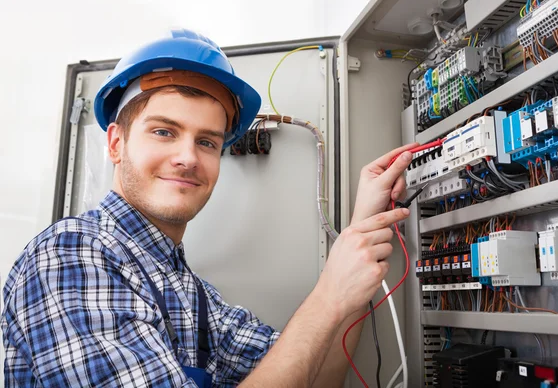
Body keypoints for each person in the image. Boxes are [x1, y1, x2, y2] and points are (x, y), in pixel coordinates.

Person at [2, 29, 415, 387]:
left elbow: (314, 376)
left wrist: (356, 251)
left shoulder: (195, 297)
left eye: (207, 142)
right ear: (116, 143)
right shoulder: (70, 255)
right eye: (164, 132)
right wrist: (327, 295)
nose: (188, 157)